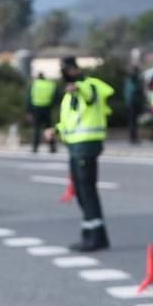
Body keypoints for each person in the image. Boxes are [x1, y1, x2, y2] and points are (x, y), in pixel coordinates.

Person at [46, 56, 113, 252]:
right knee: (81, 193)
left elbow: (90, 96)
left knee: (87, 191)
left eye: (66, 69)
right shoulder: (69, 94)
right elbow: (70, 121)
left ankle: (96, 238)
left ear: (75, 69)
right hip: (75, 147)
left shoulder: (89, 86)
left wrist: (78, 88)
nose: (64, 73)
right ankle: (91, 234)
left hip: (87, 146)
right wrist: (55, 130)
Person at [27, 72, 58, 153]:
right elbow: (56, 96)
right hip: (47, 109)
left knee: (36, 129)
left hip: (36, 109)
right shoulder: (50, 84)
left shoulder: (34, 84)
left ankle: (35, 147)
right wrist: (52, 106)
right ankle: (52, 147)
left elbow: (29, 98)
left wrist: (29, 111)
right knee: (49, 128)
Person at [123, 64, 144, 145]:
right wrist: (140, 87)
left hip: (132, 102)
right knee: (133, 121)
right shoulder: (132, 79)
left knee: (133, 121)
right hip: (132, 103)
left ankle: (134, 137)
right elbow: (134, 90)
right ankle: (133, 138)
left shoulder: (131, 78)